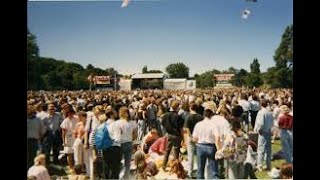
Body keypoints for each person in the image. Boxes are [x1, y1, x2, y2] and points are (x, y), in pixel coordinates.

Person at [192, 109, 220, 179]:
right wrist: (219, 149)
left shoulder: (198, 124)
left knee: (200, 169)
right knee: (213, 170)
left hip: (200, 146)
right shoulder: (213, 125)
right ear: (211, 115)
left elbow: (194, 138)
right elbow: (217, 137)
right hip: (211, 146)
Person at [161, 100, 185, 172]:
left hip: (169, 134)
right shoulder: (178, 117)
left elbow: (163, 124)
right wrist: (183, 137)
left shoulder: (165, 115)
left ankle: (163, 166)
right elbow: (181, 129)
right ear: (177, 107)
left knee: (167, 151)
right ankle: (176, 168)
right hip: (176, 135)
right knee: (176, 153)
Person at [116, 106, 138, 179]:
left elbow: (117, 135)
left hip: (120, 143)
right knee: (127, 163)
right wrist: (131, 139)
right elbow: (135, 135)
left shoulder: (118, 123)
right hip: (129, 142)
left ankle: (119, 176)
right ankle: (126, 177)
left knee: (119, 162)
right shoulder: (133, 123)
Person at [183, 103, 203, 178]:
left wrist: (191, 137)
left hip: (191, 138)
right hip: (199, 138)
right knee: (199, 156)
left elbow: (186, 129)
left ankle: (190, 172)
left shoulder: (188, 117)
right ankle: (200, 171)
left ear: (190, 108)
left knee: (190, 155)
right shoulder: (200, 117)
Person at [254, 99, 273, 171]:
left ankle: (259, 165)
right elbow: (272, 122)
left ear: (261, 104)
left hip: (263, 132)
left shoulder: (261, 112)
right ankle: (268, 165)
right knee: (268, 150)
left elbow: (261, 123)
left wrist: (258, 129)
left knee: (261, 149)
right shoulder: (269, 112)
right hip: (268, 131)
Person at [103, 109, 122, 179]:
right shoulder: (116, 124)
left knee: (106, 167)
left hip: (105, 147)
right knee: (115, 168)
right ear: (111, 115)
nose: (116, 114)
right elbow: (117, 138)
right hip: (114, 147)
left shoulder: (103, 124)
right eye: (114, 113)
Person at [60, 105, 78, 173]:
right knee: (70, 154)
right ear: (67, 114)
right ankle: (71, 167)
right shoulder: (65, 121)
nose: (70, 114)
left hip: (76, 137)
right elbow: (63, 132)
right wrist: (64, 141)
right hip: (69, 138)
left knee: (76, 153)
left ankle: (76, 167)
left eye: (71, 113)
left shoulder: (76, 118)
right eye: (69, 113)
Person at [27, 105, 46, 169]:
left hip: (35, 140)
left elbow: (43, 130)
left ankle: (35, 169)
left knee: (36, 157)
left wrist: (39, 137)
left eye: (30, 110)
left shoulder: (38, 119)